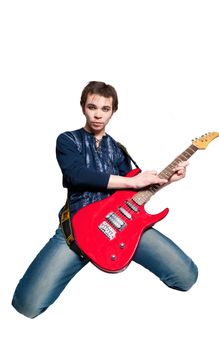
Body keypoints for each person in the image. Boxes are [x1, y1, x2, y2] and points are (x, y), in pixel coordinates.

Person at [12, 81, 198, 318]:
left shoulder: (119, 150)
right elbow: (76, 175)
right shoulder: (67, 140)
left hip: (121, 225)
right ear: (83, 107)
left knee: (187, 275)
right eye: (92, 107)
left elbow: (132, 195)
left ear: (113, 111)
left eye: (105, 109)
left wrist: (168, 180)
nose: (98, 114)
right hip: (80, 226)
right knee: (26, 305)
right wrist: (133, 181)